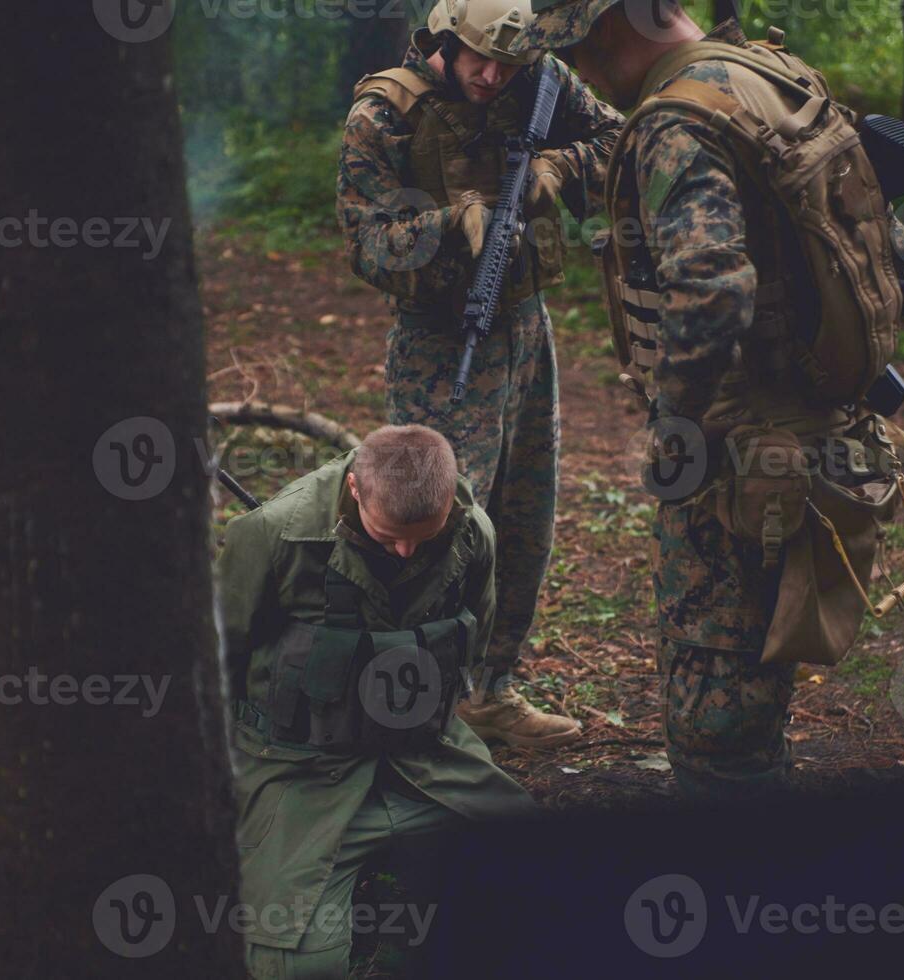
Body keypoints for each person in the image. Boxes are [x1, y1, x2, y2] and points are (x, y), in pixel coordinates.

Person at [509, 1, 904, 799]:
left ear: (617, 28)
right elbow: (884, 241)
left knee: (716, 724)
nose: (583, 73)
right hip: (813, 427)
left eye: (581, 52)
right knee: (759, 682)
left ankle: (740, 891)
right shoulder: (768, 73)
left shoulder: (675, 122)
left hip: (741, 456)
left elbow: (712, 287)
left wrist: (678, 425)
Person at [336, 0, 624, 749]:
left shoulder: (539, 77)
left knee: (525, 515)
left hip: (526, 325)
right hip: (439, 345)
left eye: (509, 63)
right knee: (433, 523)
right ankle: (413, 700)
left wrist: (559, 165)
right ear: (443, 41)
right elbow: (366, 245)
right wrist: (447, 225)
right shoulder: (384, 113)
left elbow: (619, 137)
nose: (493, 77)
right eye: (478, 62)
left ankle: (489, 689)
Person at [218, 424, 534, 979]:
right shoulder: (271, 537)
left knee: (547, 884)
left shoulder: (470, 531)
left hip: (428, 758)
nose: (408, 551)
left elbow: (471, 641)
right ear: (356, 490)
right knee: (300, 963)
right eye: (389, 537)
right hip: (300, 769)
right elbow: (219, 660)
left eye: (424, 535)